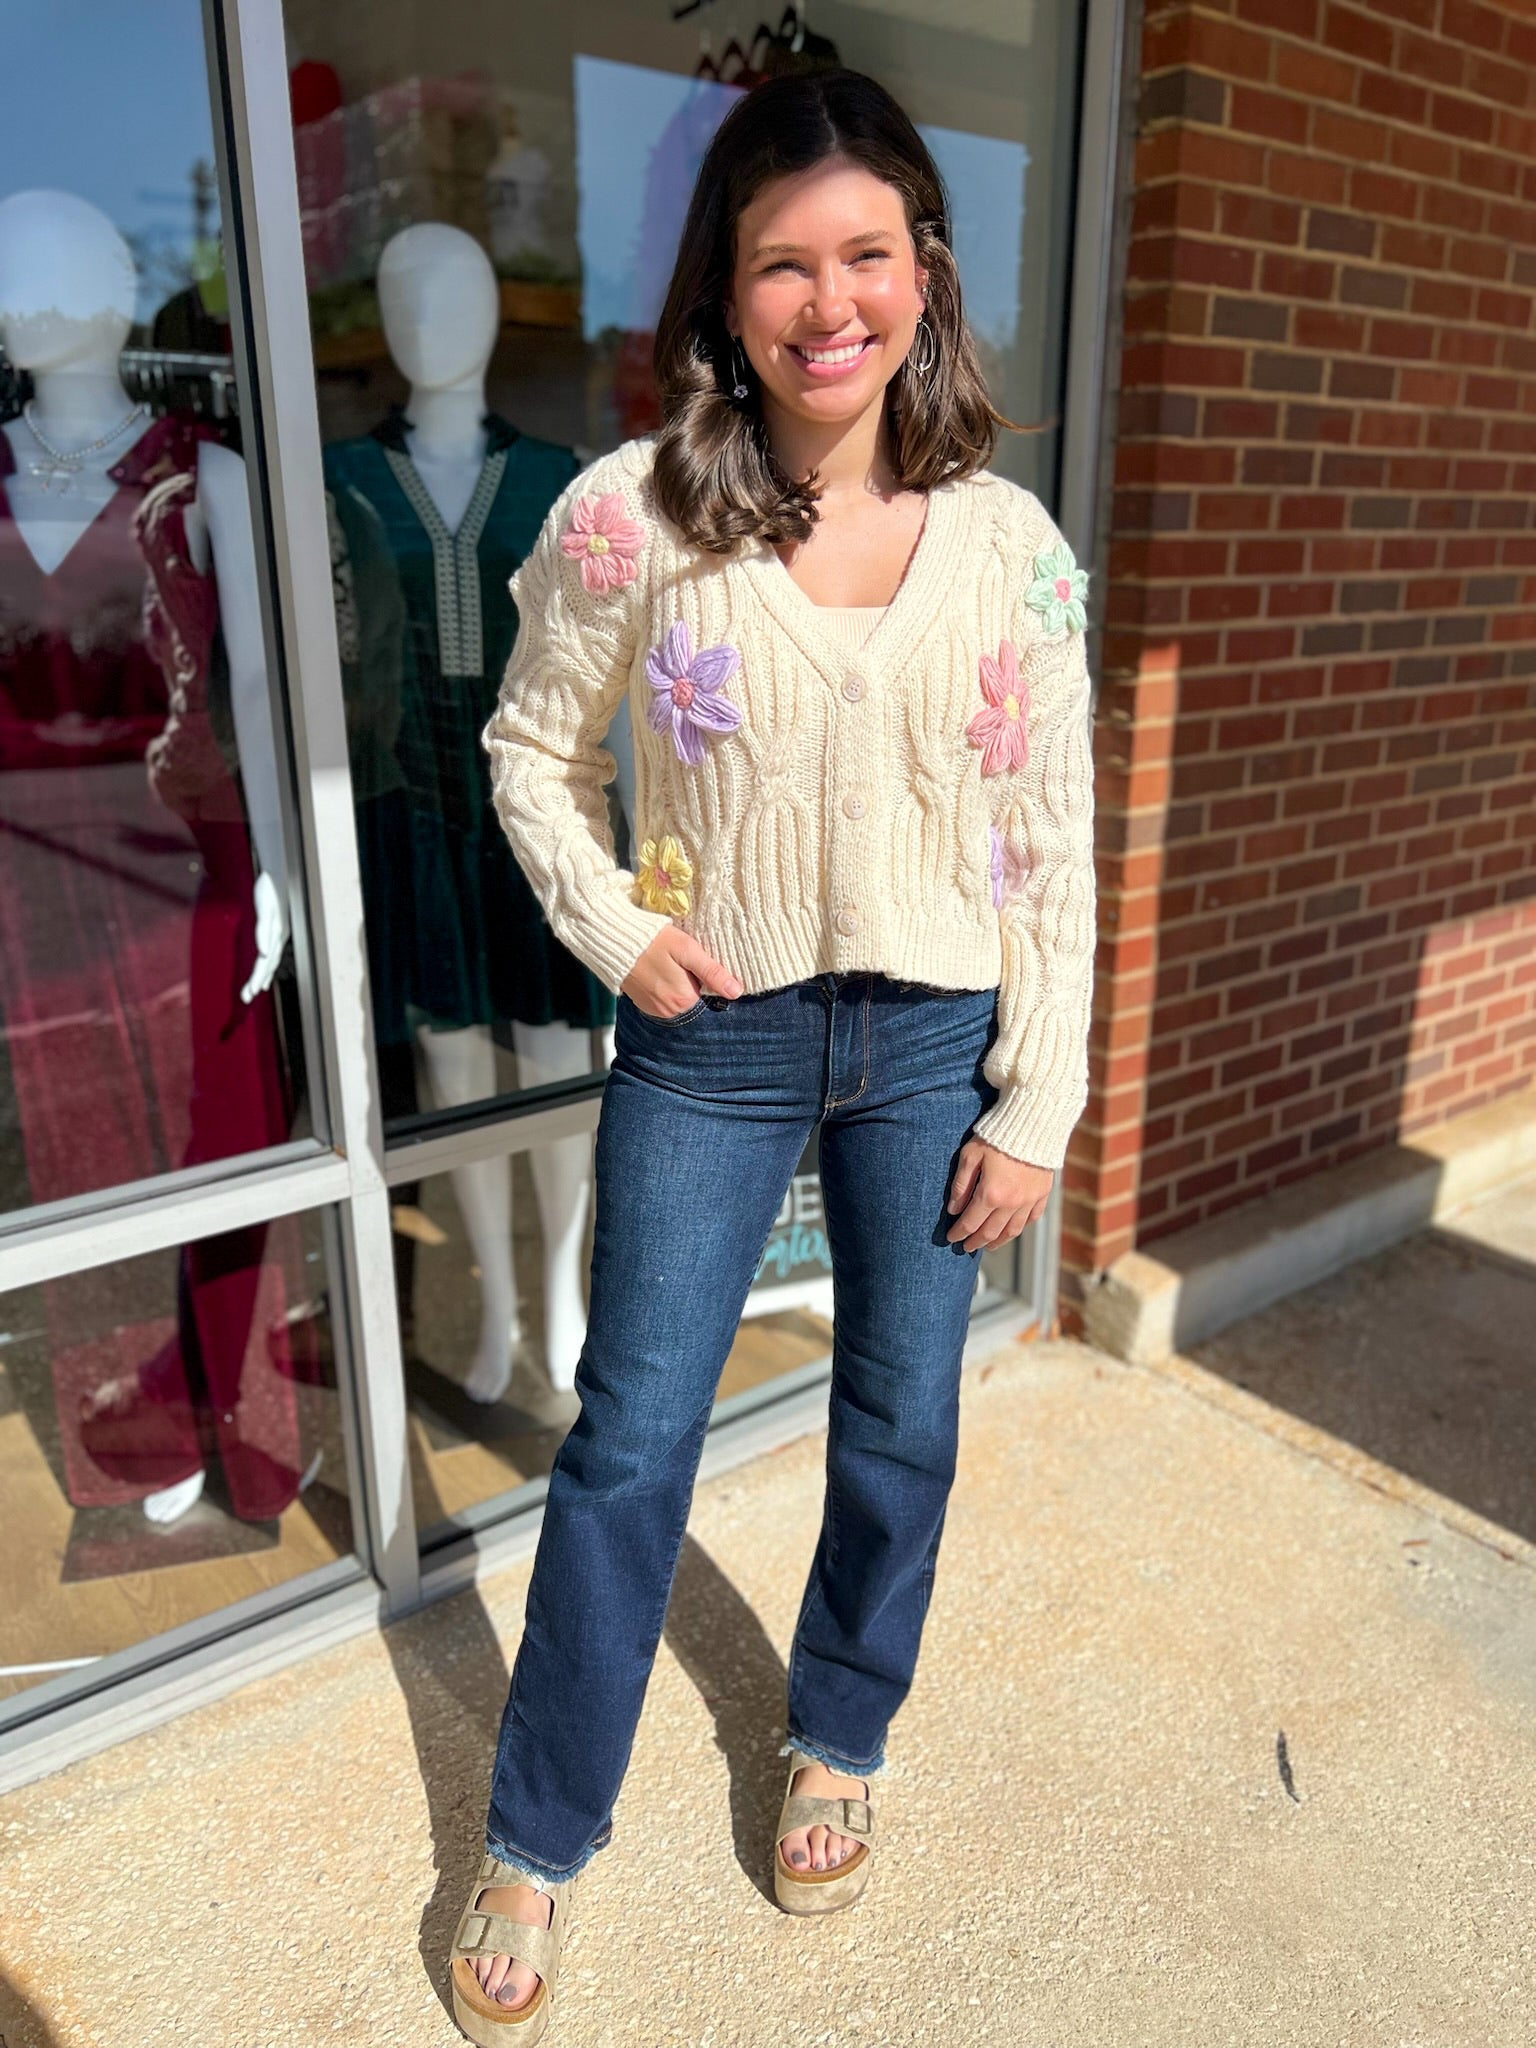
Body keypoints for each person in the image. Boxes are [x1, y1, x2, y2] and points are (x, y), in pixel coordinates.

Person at [449, 65, 1096, 2045]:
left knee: (900, 1413)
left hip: (929, 1040)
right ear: (726, 299)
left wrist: (1043, 1093)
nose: (834, 302)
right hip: (712, 1043)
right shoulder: (624, 520)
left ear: (927, 273)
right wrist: (621, 928)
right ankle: (542, 1831)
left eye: (871, 256)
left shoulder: (1007, 543)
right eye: (785, 263)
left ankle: (838, 1728)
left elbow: (1053, 825)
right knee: (631, 1439)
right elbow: (527, 756)